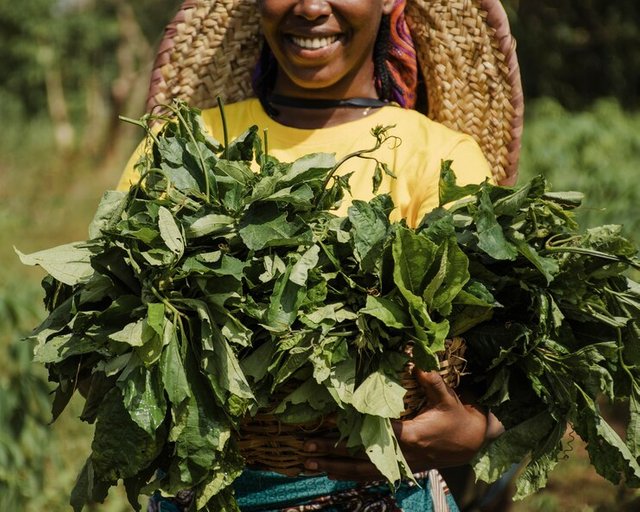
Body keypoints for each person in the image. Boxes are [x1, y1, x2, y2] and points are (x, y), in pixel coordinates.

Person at [118, 1, 521, 510]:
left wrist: (478, 432)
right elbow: (104, 322)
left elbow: (507, 353)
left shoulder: (438, 157)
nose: (309, 7)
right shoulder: (186, 145)